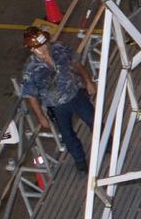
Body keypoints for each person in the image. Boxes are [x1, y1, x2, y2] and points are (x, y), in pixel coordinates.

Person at [20, 26, 97, 172]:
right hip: (57, 107)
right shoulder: (30, 69)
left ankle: (108, 145)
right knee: (68, 136)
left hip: (76, 95)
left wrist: (88, 81)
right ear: (31, 49)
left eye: (43, 44)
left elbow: (76, 64)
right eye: (38, 47)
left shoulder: (59, 48)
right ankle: (80, 162)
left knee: (95, 121)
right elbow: (31, 95)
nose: (43, 48)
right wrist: (41, 117)